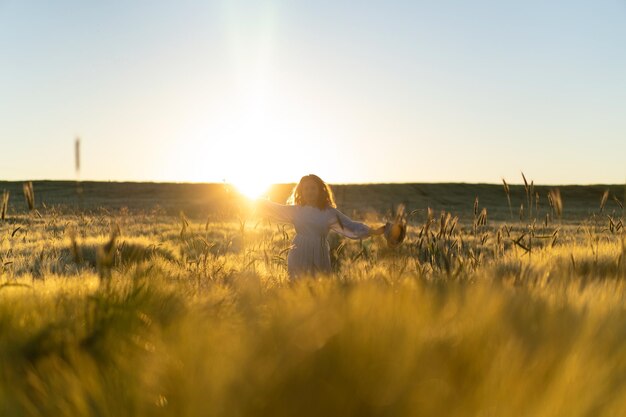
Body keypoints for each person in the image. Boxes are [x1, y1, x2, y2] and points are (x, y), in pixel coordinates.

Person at [255, 174, 385, 279]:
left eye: (313, 188)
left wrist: (372, 231)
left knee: (319, 288)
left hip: (320, 253)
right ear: (301, 191)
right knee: (297, 289)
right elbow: (275, 209)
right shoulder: (296, 210)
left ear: (320, 190)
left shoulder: (329, 212)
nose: (309, 191)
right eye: (306, 188)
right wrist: (255, 201)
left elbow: (350, 225)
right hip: (298, 252)